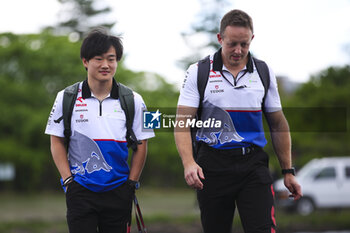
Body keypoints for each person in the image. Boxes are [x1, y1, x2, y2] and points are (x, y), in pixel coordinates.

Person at [174, 9, 302, 233]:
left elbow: (278, 124)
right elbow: (181, 123)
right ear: (220, 38)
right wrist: (188, 163)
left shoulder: (264, 72)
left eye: (244, 44)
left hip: (253, 165)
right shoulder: (198, 72)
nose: (238, 50)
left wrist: (288, 171)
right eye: (232, 43)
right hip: (212, 167)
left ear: (251, 39)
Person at [45, 28, 154, 233]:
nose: (105, 65)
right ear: (85, 61)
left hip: (119, 192)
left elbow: (143, 144)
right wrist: (68, 181)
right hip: (80, 191)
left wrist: (131, 184)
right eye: (98, 58)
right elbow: (56, 140)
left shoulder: (135, 100)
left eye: (111, 59)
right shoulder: (65, 97)